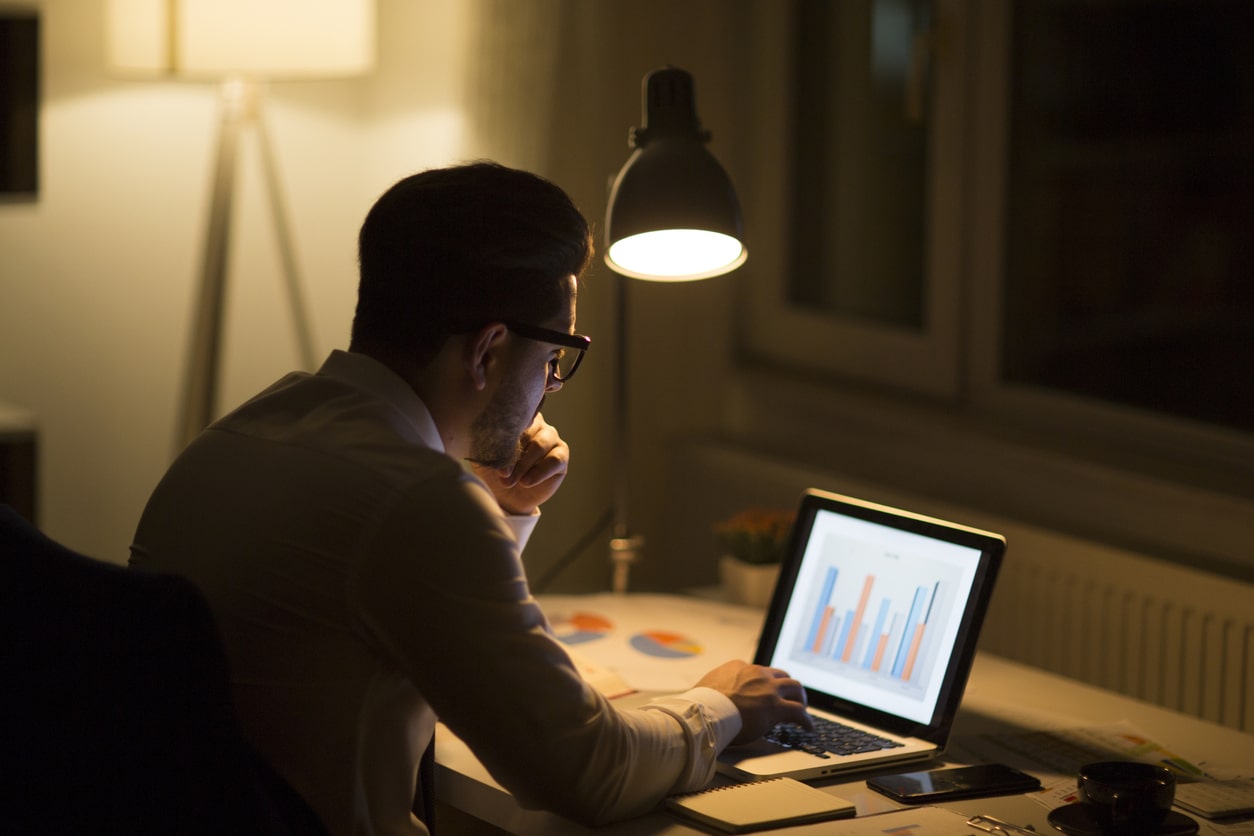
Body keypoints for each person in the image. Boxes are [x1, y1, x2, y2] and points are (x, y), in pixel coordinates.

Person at [130, 161, 811, 836]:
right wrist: (720, 707)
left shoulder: (239, 437)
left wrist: (501, 509)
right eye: (553, 358)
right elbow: (585, 771)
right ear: (488, 351)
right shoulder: (417, 503)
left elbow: (428, 634)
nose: (551, 385)